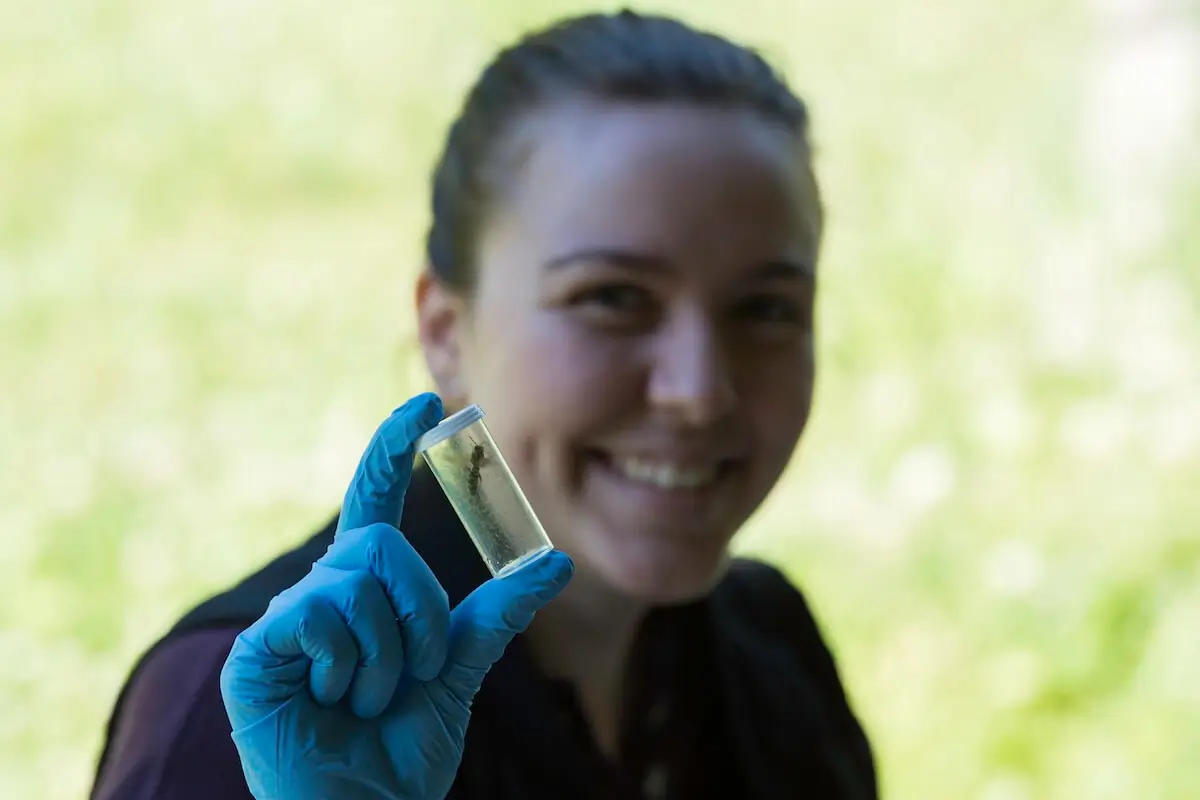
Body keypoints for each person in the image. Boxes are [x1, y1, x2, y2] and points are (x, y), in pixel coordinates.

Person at [90, 9, 877, 800]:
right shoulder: (262, 719)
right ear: (444, 333)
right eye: (612, 298)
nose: (699, 390)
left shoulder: (770, 651)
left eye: (767, 309)